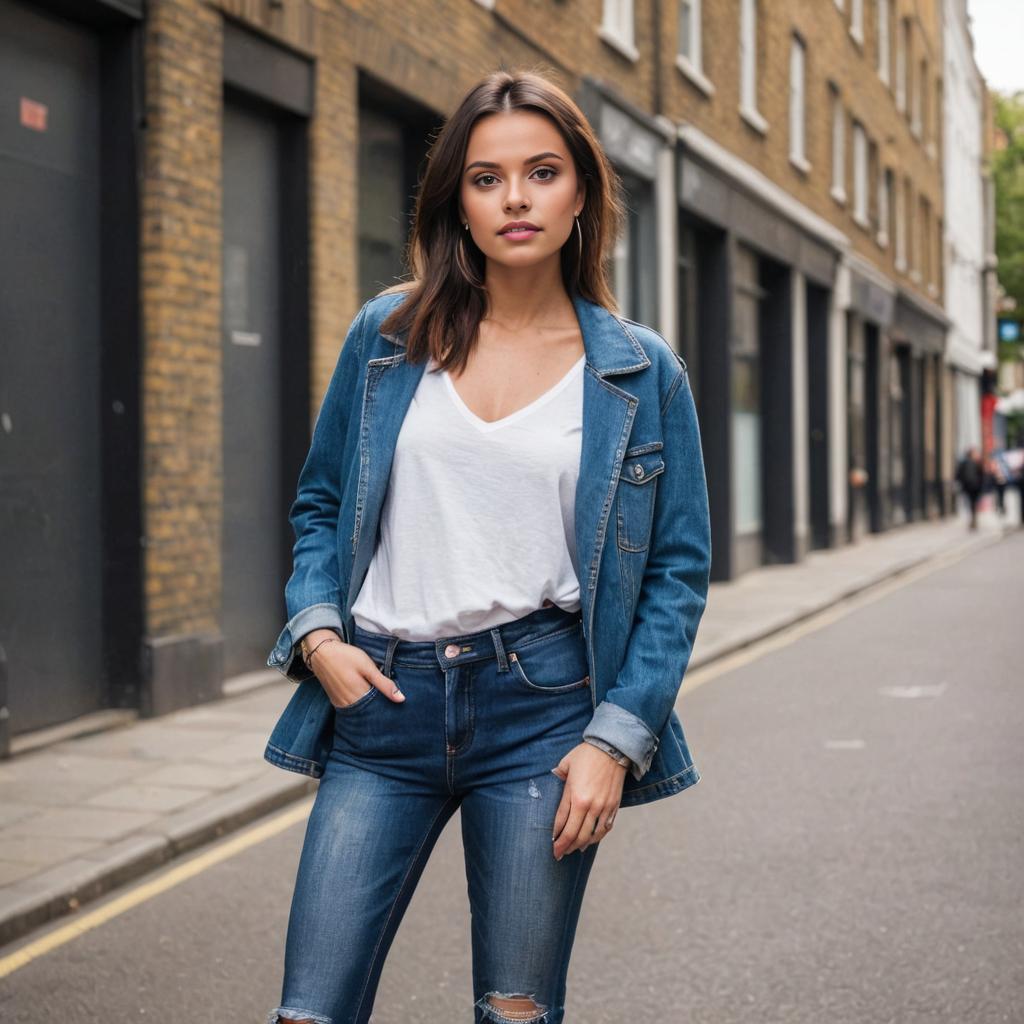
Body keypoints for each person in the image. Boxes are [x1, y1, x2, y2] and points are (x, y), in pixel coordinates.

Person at [262, 69, 711, 1024]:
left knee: (515, 1013)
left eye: (542, 172)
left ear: (581, 191)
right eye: (486, 177)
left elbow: (676, 575)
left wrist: (614, 741)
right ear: (456, 203)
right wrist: (319, 640)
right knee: (310, 1012)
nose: (515, 198)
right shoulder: (385, 338)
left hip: (545, 715)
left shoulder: (638, 371)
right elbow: (320, 502)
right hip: (380, 705)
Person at [955, 445, 985, 530]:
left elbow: (982, 475)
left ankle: (973, 518)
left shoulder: (977, 463)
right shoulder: (966, 463)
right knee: (971, 503)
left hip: (974, 487)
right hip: (970, 487)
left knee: (972, 503)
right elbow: (959, 474)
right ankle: (973, 518)